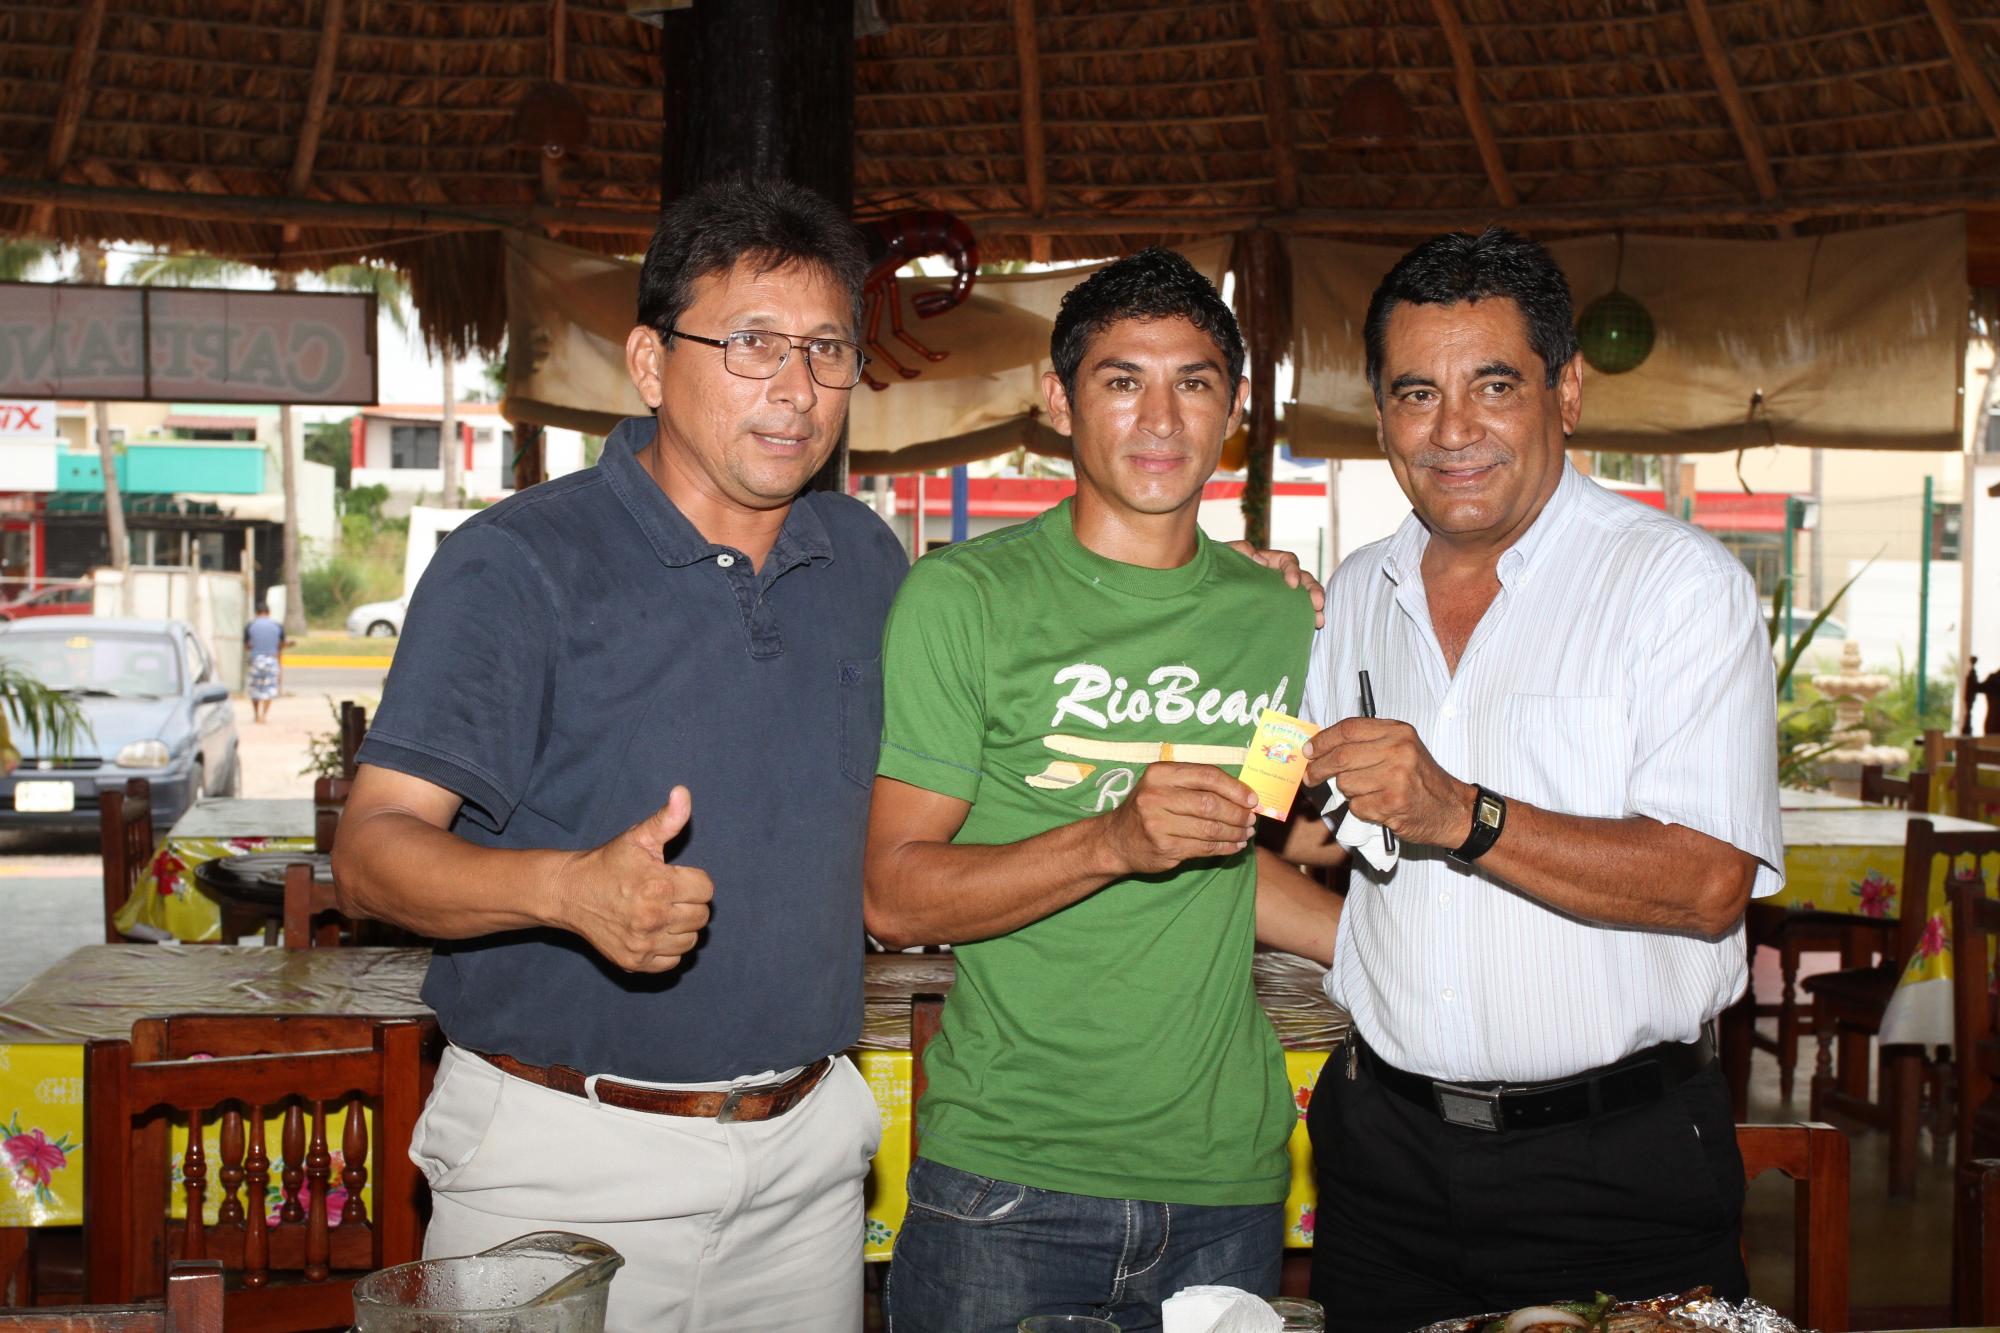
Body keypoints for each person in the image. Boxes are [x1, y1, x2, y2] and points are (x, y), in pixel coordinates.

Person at [329, 178, 908, 1333]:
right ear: (650, 364)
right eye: (750, 344)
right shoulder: (519, 565)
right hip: (561, 1162)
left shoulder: (865, 560)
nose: (794, 388)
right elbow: (371, 854)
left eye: (825, 349)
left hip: (805, 1159)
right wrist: (565, 888)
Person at [1285, 226, 1782, 1332]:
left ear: (1562, 392)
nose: (1450, 430)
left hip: (1614, 1168)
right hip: (1380, 1156)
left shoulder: (1674, 587)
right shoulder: (1352, 591)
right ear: (1377, 412)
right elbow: (1313, 839)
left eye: (1492, 385)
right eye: (1414, 392)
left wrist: (1459, 812)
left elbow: (1706, 884)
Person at [865, 248, 1340, 1333]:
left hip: (1228, 1172)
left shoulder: (1275, 615)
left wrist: (1385, 945)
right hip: (1007, 1179)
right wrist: (1110, 840)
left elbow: (1248, 859)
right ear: (1056, 400)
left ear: (1231, 407)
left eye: (1194, 381)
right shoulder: (960, 599)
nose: (1159, 418)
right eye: (1122, 380)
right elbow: (891, 895)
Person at [243, 602, 285, 723]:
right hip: (271, 659)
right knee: (269, 688)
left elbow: (247, 645)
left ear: (256, 613)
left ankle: (256, 714)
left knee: (255, 688)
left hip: (256, 659)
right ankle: (264, 715)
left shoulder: (250, 625)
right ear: (268, 613)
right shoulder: (277, 625)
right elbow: (280, 644)